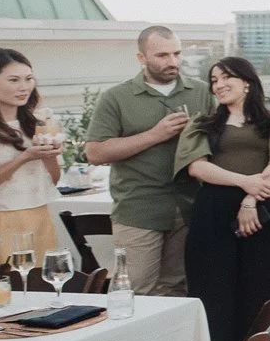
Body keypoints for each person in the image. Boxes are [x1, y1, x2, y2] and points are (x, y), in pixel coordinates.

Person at [177, 57, 270, 341]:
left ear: (247, 81)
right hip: (213, 210)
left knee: (255, 291)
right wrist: (243, 183)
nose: (218, 84)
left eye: (226, 77)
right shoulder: (203, 123)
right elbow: (197, 168)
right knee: (212, 291)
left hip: (260, 207)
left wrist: (251, 198)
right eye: (213, 80)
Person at [84, 26, 213, 296]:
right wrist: (155, 135)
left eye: (177, 54)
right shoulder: (116, 98)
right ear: (141, 58)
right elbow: (95, 152)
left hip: (189, 209)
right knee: (135, 291)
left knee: (177, 289)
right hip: (138, 209)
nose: (173, 62)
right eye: (162, 55)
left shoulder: (201, 92)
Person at [0, 48, 61, 265]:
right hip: (0, 218)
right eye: (14, 80)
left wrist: (49, 155)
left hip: (39, 213)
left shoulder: (38, 123)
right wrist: (24, 157)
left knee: (43, 284)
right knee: (8, 283)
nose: (24, 87)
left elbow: (54, 180)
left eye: (28, 79)